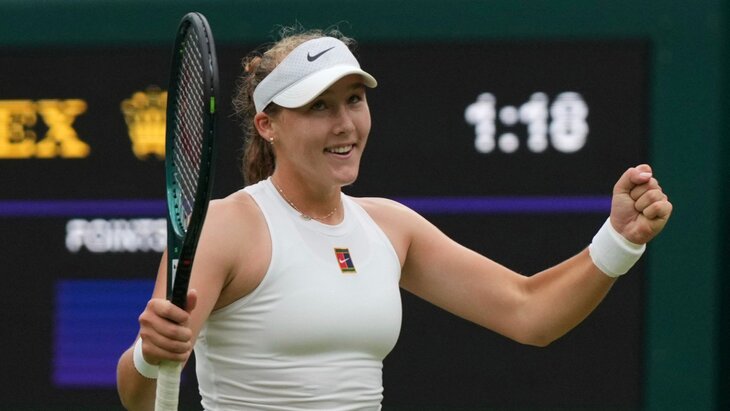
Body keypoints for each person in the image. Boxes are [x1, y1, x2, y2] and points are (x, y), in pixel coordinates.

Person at [116, 28, 672, 410]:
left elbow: (530, 312)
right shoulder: (224, 227)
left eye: (354, 100)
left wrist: (620, 240)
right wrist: (149, 354)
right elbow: (138, 394)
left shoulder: (390, 227)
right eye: (319, 106)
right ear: (268, 125)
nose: (345, 124)